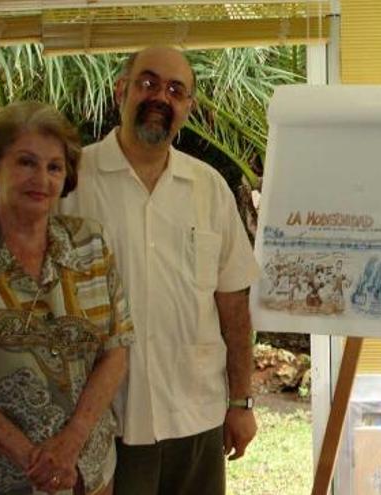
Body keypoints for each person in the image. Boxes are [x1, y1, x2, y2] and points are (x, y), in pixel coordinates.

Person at [60, 46, 259, 494]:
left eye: (175, 90)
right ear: (121, 92)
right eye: (148, 84)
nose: (160, 98)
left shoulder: (209, 188)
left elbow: (233, 306)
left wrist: (241, 401)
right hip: (103, 424)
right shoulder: (72, 181)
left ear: (187, 107)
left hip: (197, 418)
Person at [0, 101, 134, 494]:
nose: (42, 178)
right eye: (26, 162)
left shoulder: (90, 242)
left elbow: (116, 347)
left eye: (55, 167)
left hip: (88, 474)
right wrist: (32, 458)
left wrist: (71, 444)